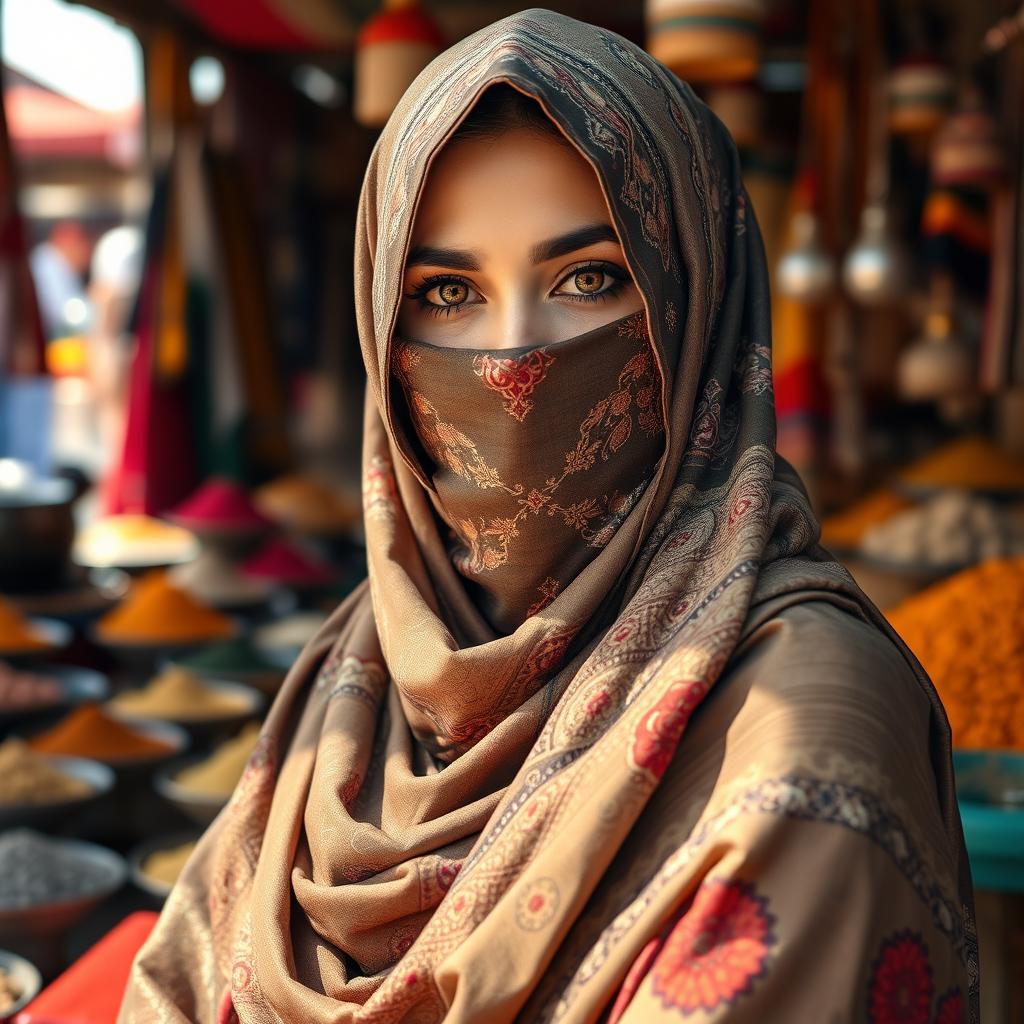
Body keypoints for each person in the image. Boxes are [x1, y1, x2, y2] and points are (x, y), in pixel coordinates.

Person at [120, 10, 976, 1023]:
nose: (514, 362)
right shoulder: (353, 678)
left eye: (589, 278)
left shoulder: (802, 730)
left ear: (697, 308)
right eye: (446, 292)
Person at [29, 220, 93, 340]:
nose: (87, 253)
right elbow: (64, 314)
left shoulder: (64, 266)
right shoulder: (47, 262)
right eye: (83, 245)